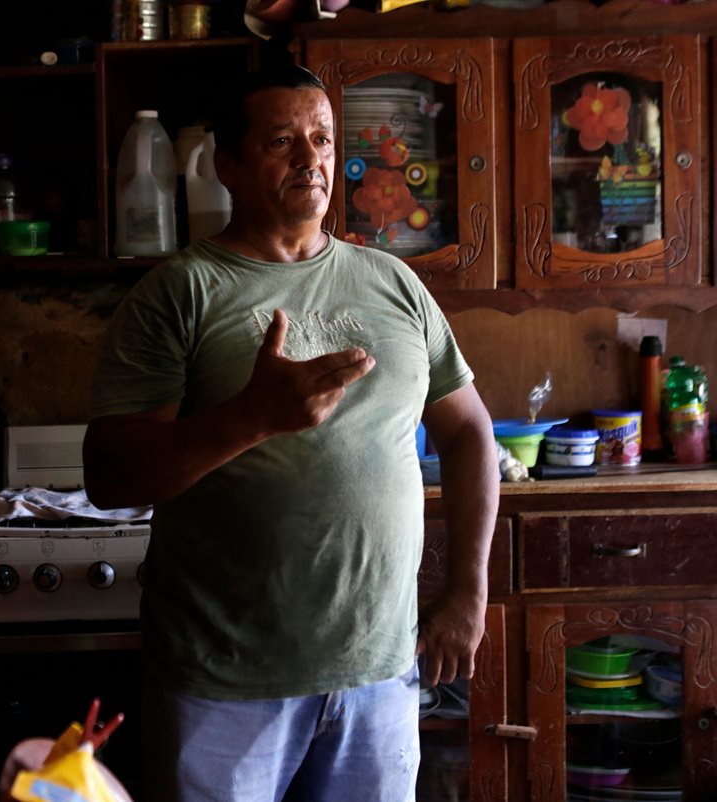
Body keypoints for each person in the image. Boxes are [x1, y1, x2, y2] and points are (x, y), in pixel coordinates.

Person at [83, 63, 499, 802]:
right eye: (282, 141)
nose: (311, 159)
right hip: (225, 686)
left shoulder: (394, 282)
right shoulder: (178, 292)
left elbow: (468, 432)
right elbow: (110, 476)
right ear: (227, 165)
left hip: (379, 672)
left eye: (323, 139)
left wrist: (469, 591)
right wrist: (250, 419)